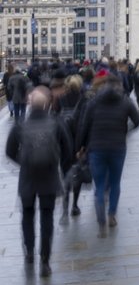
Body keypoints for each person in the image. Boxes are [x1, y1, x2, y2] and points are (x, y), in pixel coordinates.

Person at [5, 87, 73, 278]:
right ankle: (45, 260)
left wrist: (23, 162)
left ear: (29, 104)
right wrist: (59, 165)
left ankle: (29, 252)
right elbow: (68, 149)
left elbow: (9, 151)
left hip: (28, 178)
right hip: (49, 178)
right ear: (46, 104)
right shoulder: (56, 123)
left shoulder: (20, 125)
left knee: (27, 216)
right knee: (47, 218)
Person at [76, 74, 139, 237]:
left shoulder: (94, 102)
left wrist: (80, 147)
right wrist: (125, 131)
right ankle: (111, 214)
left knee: (99, 187)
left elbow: (84, 126)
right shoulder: (125, 101)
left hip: (97, 148)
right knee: (115, 182)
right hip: (118, 147)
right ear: (119, 85)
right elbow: (137, 121)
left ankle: (101, 222)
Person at [53, 74, 89, 221]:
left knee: (65, 175)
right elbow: (87, 121)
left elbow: (54, 119)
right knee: (78, 175)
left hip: (63, 143)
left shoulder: (61, 99)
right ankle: (75, 205)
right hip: (79, 142)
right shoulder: (84, 100)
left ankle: (65, 209)